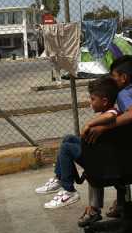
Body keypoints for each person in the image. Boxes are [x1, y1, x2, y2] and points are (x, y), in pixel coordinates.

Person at [80, 55, 132, 226]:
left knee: (96, 153)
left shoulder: (124, 94)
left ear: (123, 78)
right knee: (118, 147)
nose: (111, 81)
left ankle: (94, 209)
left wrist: (104, 127)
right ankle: (120, 204)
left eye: (113, 77)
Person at [35, 76, 120, 210]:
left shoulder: (112, 112)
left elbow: (111, 115)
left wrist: (89, 123)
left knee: (66, 149)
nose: (89, 102)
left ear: (104, 101)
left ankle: (69, 191)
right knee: (68, 138)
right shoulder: (108, 110)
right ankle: (59, 177)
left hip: (101, 159)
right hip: (97, 151)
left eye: (93, 99)